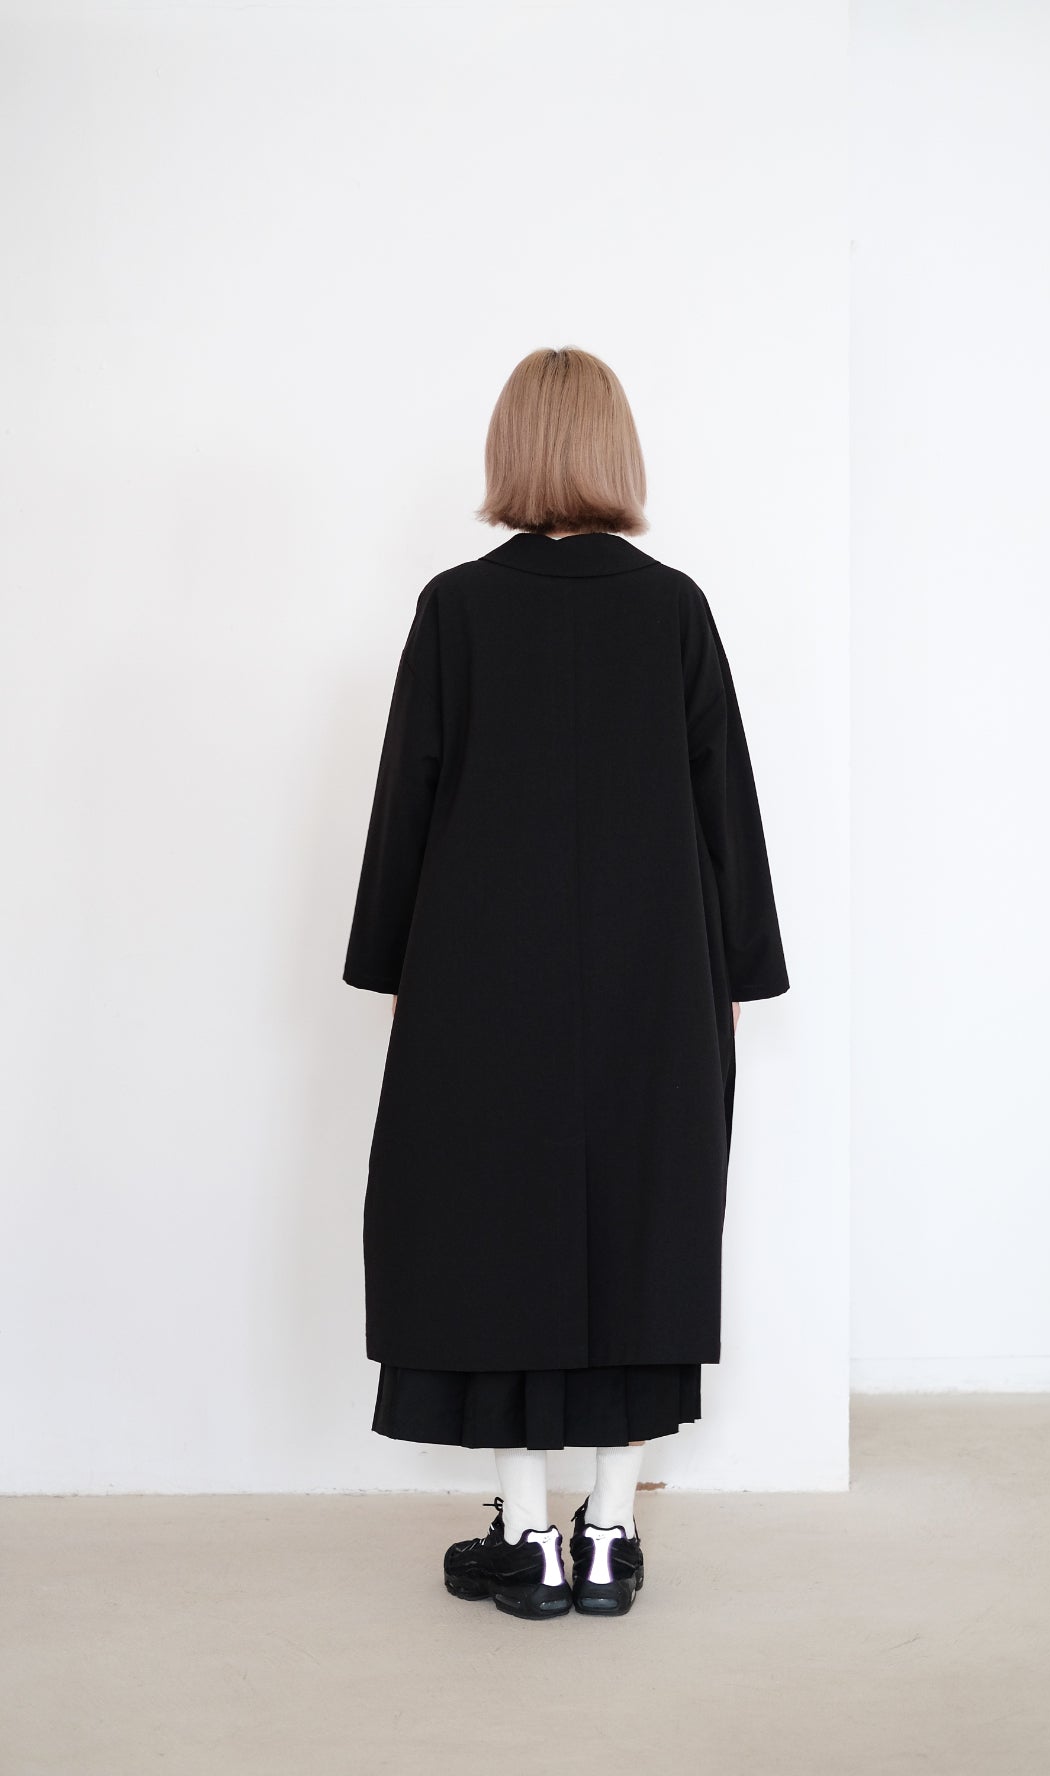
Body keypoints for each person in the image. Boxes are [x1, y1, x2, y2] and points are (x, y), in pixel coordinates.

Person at [343, 345, 789, 1620]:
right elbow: (722, 807)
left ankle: (527, 1537)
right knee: (643, 1230)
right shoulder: (674, 609)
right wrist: (737, 972)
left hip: (480, 983)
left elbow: (409, 803)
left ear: (509, 449)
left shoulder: (455, 610)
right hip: (657, 979)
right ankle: (608, 1535)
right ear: (615, 449)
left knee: (489, 1235)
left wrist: (392, 968)